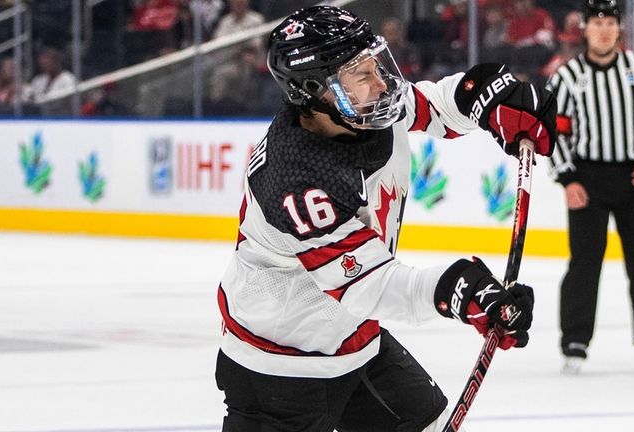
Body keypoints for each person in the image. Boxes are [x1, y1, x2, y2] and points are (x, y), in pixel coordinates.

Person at [214, 5, 555, 431]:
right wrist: (458, 289)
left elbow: (434, 105)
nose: (382, 83)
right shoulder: (296, 182)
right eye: (362, 74)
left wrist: (485, 94)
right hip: (278, 369)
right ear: (316, 90)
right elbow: (367, 285)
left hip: (355, 340)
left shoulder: (363, 108)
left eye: (376, 64)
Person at [546, 0, 634, 374]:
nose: (604, 29)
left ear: (620, 28)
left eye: (610, 22)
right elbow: (555, 134)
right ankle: (574, 339)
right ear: (584, 28)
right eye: (596, 22)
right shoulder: (567, 76)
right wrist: (569, 178)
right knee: (585, 263)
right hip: (589, 180)